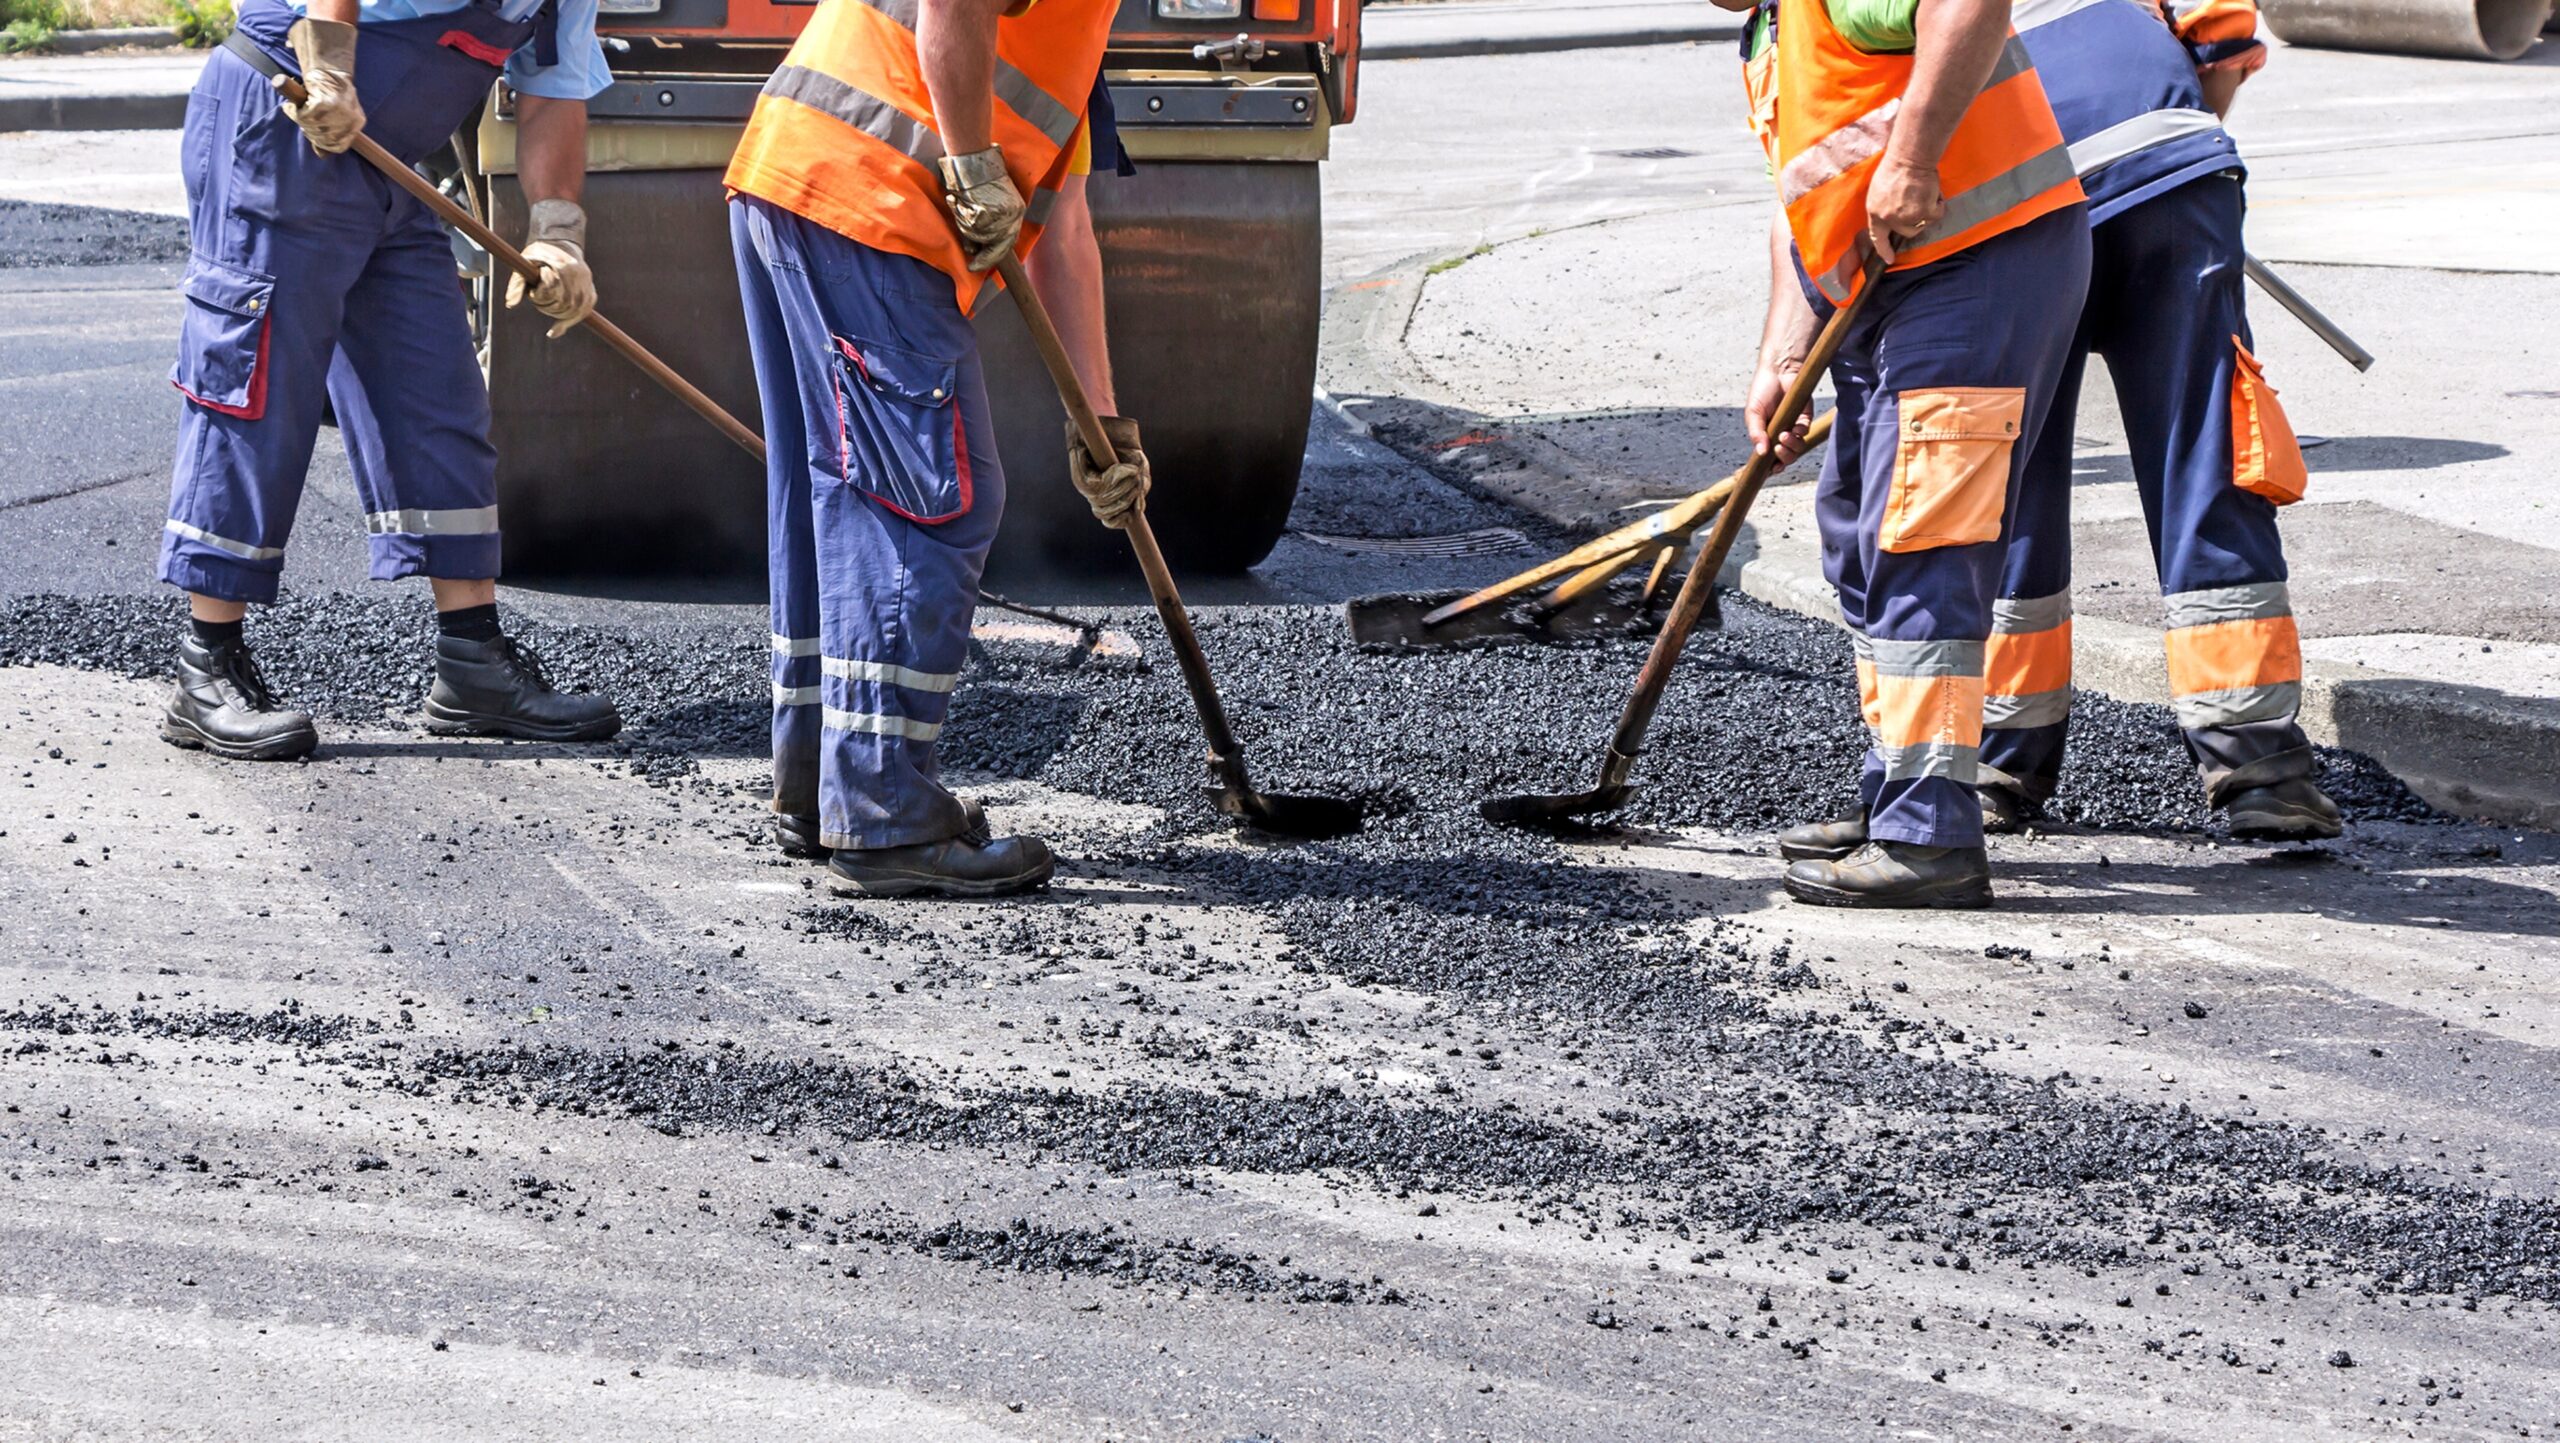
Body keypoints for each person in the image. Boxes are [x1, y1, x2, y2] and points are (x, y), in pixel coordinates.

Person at [724, 0, 1143, 898]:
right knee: (927, 502)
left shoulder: (1087, 27)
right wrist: (967, 159)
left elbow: (1062, 225)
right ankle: (883, 810)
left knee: (833, 494)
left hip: (801, 175)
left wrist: (1101, 421)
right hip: (866, 202)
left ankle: (822, 786)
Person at [158, 0, 624, 759]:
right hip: (287, 119)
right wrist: (330, 66)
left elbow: (553, 92)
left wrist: (557, 231)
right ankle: (205, 664)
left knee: (435, 388)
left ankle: (471, 659)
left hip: (390, 163)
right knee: (257, 385)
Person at [1721, 0, 2093, 907]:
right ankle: (1897, 792)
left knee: (1921, 539)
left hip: (1978, 264)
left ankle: (1931, 836)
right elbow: (1803, 206)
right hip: (1892, 289)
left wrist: (1916, 158)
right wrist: (1780, 358)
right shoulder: (1773, 35)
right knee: (1855, 530)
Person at [1976, 0, 2341, 840]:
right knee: (2202, 450)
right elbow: (2222, 42)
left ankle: (2000, 761)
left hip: (2013, 193)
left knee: (2012, 468)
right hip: (2169, 173)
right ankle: (2258, 767)